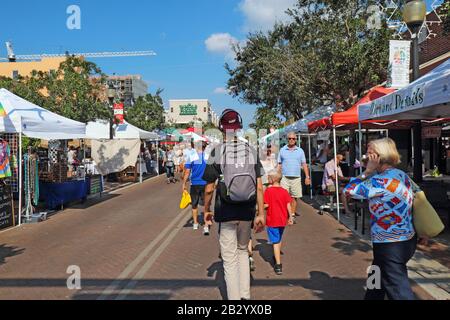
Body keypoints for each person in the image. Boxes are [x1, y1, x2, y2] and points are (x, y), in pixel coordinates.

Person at [343, 138, 418, 300]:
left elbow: (348, 190)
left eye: (369, 154)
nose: (365, 157)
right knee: (376, 274)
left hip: (390, 244)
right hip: (406, 238)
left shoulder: (379, 181)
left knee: (398, 289)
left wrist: (366, 172)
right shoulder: (400, 174)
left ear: (378, 157)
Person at [203, 109, 265, 301]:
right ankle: (245, 297)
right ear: (238, 127)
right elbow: (260, 186)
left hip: (225, 212)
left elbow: (209, 188)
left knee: (229, 260)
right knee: (242, 253)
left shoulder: (216, 151)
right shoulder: (251, 151)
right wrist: (261, 213)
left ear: (221, 128)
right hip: (247, 211)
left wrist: (206, 210)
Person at [264, 170, 294, 275]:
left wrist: (259, 208)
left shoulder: (268, 191)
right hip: (282, 219)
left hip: (272, 219)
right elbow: (288, 205)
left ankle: (278, 264)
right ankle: (276, 256)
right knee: (279, 238)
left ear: (271, 179)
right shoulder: (284, 191)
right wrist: (290, 217)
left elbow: (266, 205)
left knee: (275, 242)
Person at [277, 132, 311, 222]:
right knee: (283, 197)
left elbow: (304, 164)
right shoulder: (282, 150)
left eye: (293, 139)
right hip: (285, 177)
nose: (291, 140)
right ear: (287, 139)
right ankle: (285, 214)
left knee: (294, 197)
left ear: (296, 140)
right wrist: (277, 176)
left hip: (296, 177)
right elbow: (279, 164)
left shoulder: (300, 151)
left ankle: (292, 215)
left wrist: (307, 177)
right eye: (290, 138)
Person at [182, 141, 208, 234]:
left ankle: (195, 223)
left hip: (195, 183)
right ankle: (206, 225)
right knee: (206, 205)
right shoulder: (208, 157)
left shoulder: (192, 157)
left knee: (194, 204)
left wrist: (184, 183)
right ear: (205, 147)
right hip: (206, 183)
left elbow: (187, 172)